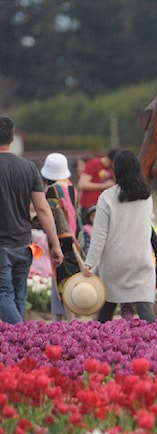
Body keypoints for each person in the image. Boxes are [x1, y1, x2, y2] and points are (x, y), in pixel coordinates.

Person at [0, 117, 64, 323]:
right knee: (18, 295)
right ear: (12, 137)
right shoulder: (29, 168)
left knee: (3, 294)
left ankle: (21, 334)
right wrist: (55, 244)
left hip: (1, 245)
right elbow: (43, 209)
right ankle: (20, 345)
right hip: (23, 243)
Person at [81, 150, 157, 323]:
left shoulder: (107, 197)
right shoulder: (146, 196)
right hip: (140, 259)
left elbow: (99, 235)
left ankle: (95, 344)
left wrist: (90, 263)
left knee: (107, 309)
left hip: (115, 262)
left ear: (116, 170)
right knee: (145, 308)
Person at [41, 152, 81, 320]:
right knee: (69, 280)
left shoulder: (51, 191)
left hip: (60, 239)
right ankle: (61, 320)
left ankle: (65, 321)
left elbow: (51, 215)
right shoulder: (71, 187)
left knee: (62, 280)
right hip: (75, 237)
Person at [77, 149, 117, 216]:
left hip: (103, 205)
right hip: (89, 206)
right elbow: (82, 184)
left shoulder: (110, 169)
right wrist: (104, 185)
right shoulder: (94, 164)